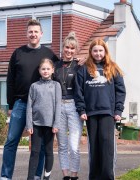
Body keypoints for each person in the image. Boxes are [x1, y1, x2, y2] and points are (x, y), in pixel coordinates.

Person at [0, 19, 59, 180]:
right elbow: (10, 79)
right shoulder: (18, 53)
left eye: (36, 32)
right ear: (26, 34)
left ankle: (36, 176)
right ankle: (5, 176)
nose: (33, 34)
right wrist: (11, 104)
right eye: (30, 32)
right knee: (11, 141)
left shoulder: (49, 54)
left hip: (41, 108)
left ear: (41, 34)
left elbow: (61, 72)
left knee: (38, 147)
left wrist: (78, 63)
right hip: (20, 104)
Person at [74, 38, 126, 180]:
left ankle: (107, 176)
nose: (98, 53)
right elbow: (78, 92)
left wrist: (118, 111)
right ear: (91, 52)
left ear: (105, 52)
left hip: (108, 114)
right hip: (90, 114)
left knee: (107, 146)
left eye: (100, 50)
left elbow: (120, 91)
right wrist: (82, 110)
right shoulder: (84, 70)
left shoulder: (113, 68)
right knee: (94, 147)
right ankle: (95, 177)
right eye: (95, 50)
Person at [26, 58, 62, 180]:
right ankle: (30, 177)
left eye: (48, 69)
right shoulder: (34, 86)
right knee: (35, 152)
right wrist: (29, 125)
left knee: (48, 151)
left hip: (50, 125)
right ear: (39, 70)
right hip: (36, 124)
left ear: (52, 70)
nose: (45, 71)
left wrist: (56, 124)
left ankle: (46, 177)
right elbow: (29, 106)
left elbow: (58, 105)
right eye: (43, 69)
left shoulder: (56, 85)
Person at [53, 32, 83, 180]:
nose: (69, 51)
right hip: (59, 107)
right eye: (67, 47)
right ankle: (66, 176)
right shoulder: (55, 66)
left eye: (72, 48)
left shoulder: (79, 66)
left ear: (75, 50)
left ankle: (74, 175)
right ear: (63, 47)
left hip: (74, 107)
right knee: (62, 145)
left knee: (74, 146)